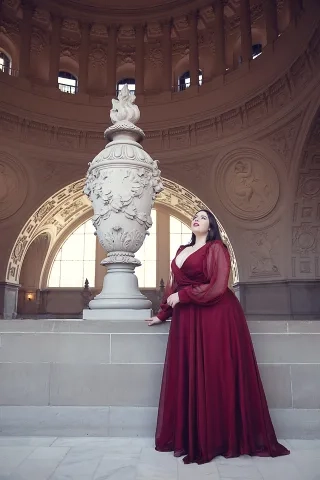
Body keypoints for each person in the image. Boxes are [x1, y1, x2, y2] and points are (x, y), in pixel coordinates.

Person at [146, 210, 290, 465]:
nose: (197, 218)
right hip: (187, 319)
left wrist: (184, 297)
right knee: (191, 373)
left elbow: (218, 285)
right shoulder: (182, 249)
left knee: (215, 373)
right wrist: (162, 313)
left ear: (211, 225)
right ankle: (195, 436)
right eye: (195, 216)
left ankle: (219, 438)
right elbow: (173, 287)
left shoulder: (216, 248)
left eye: (203, 216)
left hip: (216, 316)